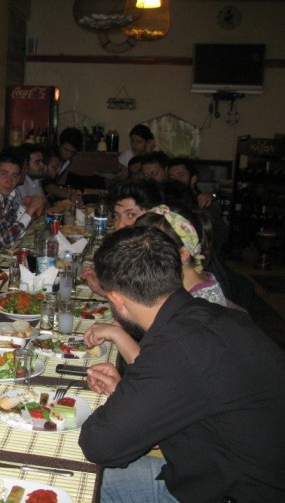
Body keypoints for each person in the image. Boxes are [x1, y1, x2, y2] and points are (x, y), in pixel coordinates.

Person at [78, 226, 285, 502]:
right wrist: (130, 393)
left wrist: (127, 398)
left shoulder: (177, 346)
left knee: (78, 481)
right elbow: (192, 389)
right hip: (215, 472)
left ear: (115, 299)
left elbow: (100, 445)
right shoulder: (208, 316)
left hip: (228, 492)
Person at [85, 206, 227, 364]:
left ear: (183, 254)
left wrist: (118, 334)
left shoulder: (201, 303)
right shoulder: (174, 286)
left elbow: (160, 366)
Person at [81, 178, 162, 297]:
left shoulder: (160, 259)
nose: (119, 225)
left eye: (131, 214)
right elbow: (135, 301)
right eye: (117, 216)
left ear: (154, 215)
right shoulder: (134, 251)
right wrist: (101, 290)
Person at [0, 147, 45, 248]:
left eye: (14, 176)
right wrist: (30, 210)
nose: (9, 181)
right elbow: (7, 241)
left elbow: (11, 229)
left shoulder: (9, 192)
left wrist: (23, 207)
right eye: (4, 174)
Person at [42, 127, 83, 201]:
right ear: (59, 144)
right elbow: (45, 184)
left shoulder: (68, 160)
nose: (68, 154)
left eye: (72, 152)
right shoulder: (50, 154)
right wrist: (69, 195)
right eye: (66, 149)